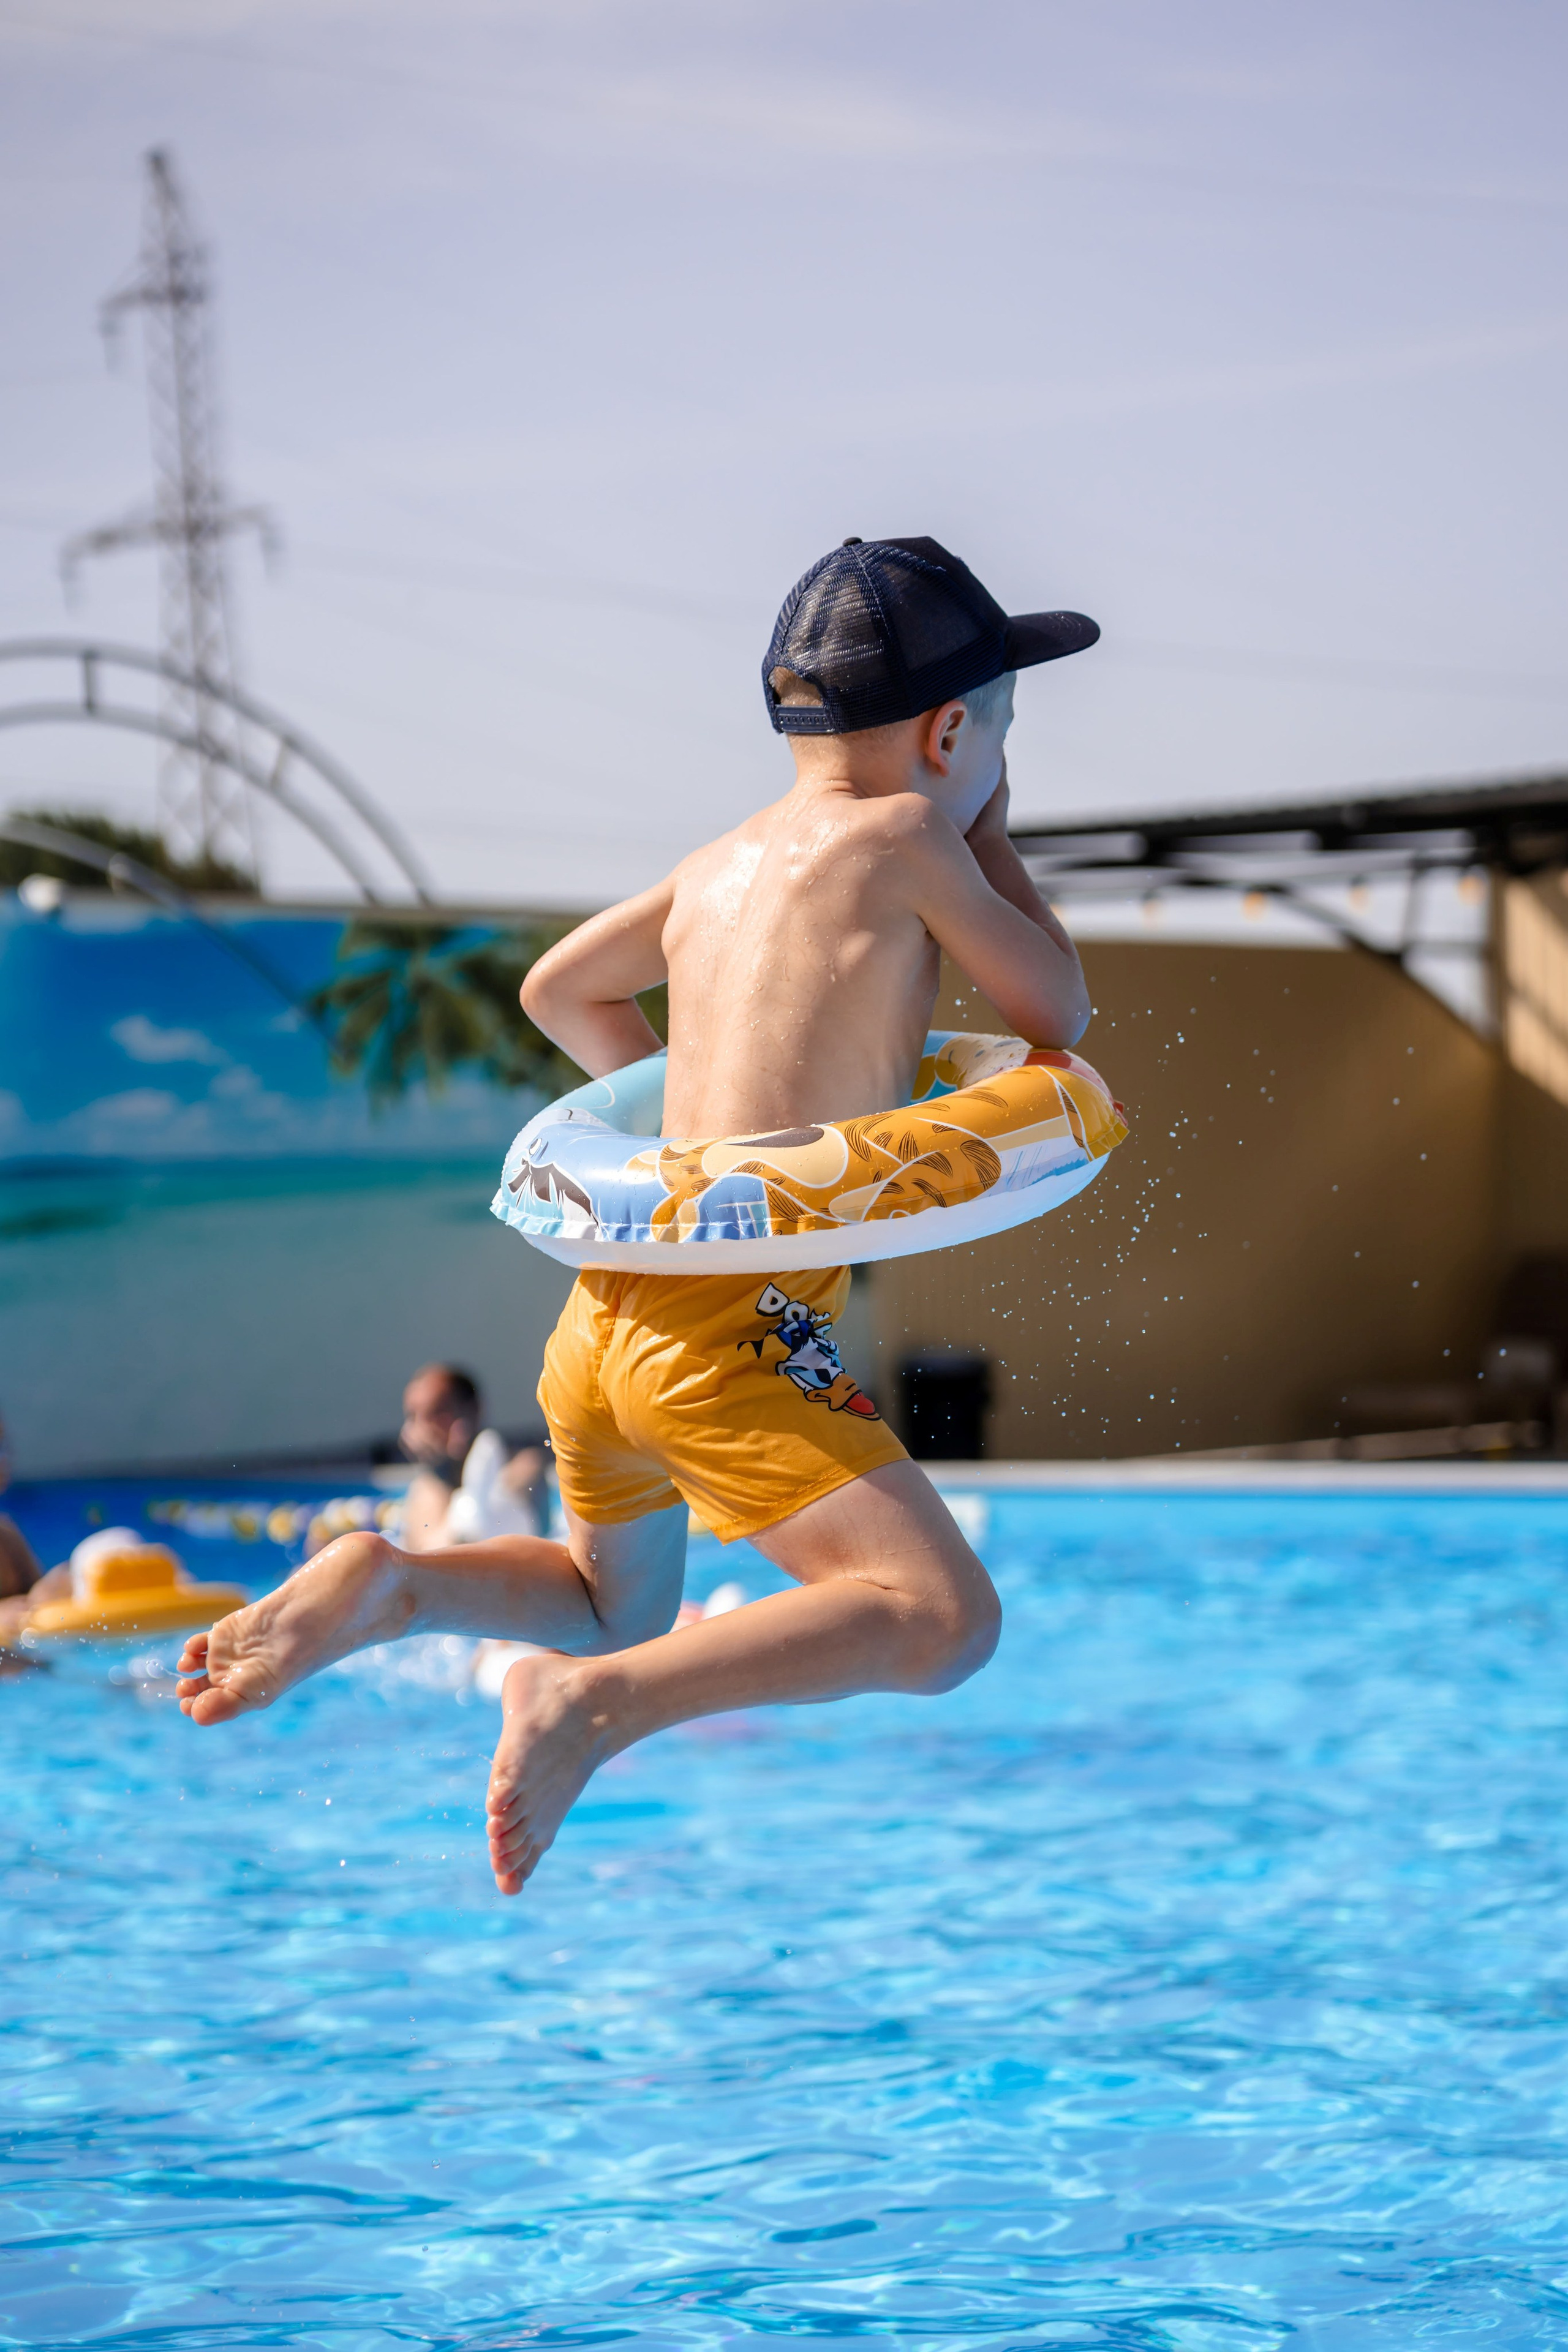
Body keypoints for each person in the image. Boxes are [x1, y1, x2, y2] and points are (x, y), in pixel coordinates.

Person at [177, 535, 1097, 1894]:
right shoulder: (913, 838)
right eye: (997, 740)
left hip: (604, 1318)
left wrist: (697, 1146)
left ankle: (393, 1582)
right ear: (950, 729)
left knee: (620, 1602)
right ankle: (586, 1708)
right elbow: (1055, 1018)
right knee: (941, 1620)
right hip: (729, 1333)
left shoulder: (718, 865)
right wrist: (992, 839)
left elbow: (556, 991)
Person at [396, 1363, 548, 1550]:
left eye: (437, 1412)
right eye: (413, 1416)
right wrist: (440, 1467)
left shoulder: (522, 1466)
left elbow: (512, 1518)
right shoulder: (426, 1486)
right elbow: (422, 1554)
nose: (422, 1428)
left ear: (473, 1410)